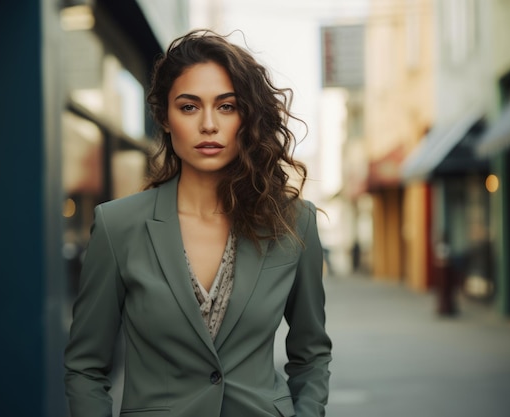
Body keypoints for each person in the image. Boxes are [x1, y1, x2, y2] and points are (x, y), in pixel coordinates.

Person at [64, 29, 332, 417]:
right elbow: (86, 367)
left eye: (226, 106)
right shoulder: (117, 226)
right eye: (189, 107)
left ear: (247, 116)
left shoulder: (293, 223)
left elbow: (311, 355)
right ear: (165, 117)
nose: (209, 124)